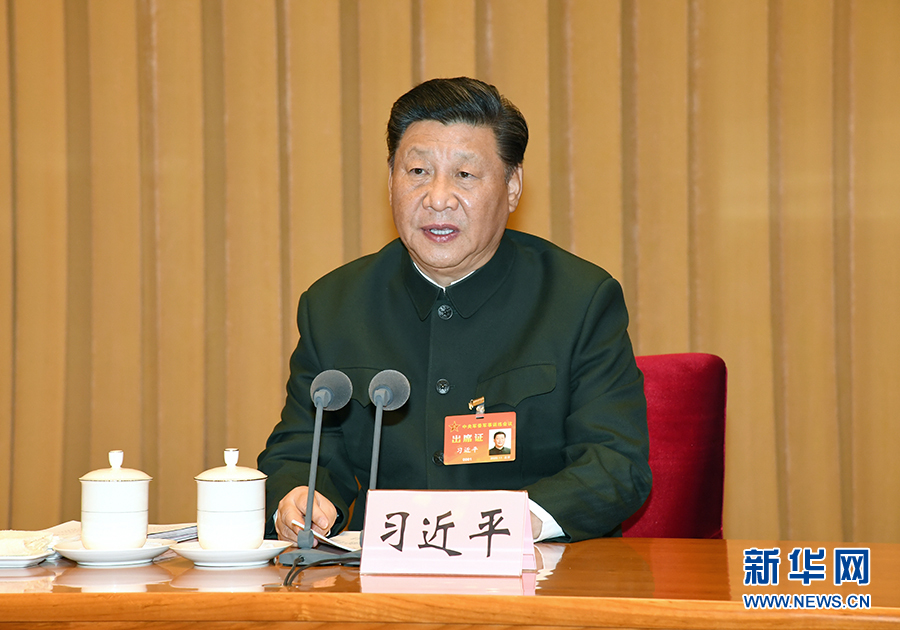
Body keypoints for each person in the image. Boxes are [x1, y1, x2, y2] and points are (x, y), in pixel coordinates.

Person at [257, 77, 651, 544]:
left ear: (512, 186)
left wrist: (508, 525)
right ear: (391, 181)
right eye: (418, 171)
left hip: (537, 574)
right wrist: (299, 496)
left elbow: (615, 464)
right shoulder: (334, 305)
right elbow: (301, 450)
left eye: (465, 175)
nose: (438, 198)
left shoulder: (579, 300)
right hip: (380, 576)